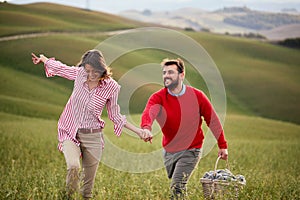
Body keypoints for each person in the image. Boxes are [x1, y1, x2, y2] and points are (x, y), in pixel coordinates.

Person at [31, 50, 152, 199]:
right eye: (88, 70)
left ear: (102, 68)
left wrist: (139, 131)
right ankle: (68, 197)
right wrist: (43, 59)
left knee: (87, 189)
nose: (91, 74)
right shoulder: (80, 74)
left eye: (95, 71)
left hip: (93, 136)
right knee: (73, 166)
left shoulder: (111, 87)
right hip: (70, 130)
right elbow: (60, 67)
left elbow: (115, 115)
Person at [140, 58, 228, 199]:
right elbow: (149, 112)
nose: (166, 75)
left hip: (191, 149)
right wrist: (146, 127)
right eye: (164, 73)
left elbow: (213, 120)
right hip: (169, 151)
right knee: (178, 186)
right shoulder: (158, 97)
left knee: (177, 187)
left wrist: (222, 145)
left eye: (171, 72)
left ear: (182, 75)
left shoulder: (197, 96)